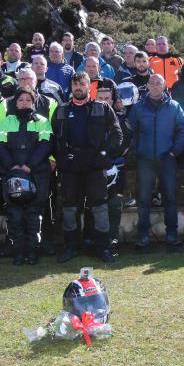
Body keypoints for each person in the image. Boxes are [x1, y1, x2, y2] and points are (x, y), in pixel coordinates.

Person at [51, 72, 122, 263]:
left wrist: (104, 154)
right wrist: (62, 158)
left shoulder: (103, 108)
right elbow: (53, 139)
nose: (78, 88)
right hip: (70, 167)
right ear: (71, 87)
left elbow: (117, 134)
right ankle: (71, 246)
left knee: (99, 208)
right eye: (75, 85)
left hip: (95, 165)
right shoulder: (61, 110)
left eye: (82, 84)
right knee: (69, 208)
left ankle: (103, 247)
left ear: (89, 86)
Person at [128, 74, 184, 250]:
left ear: (164, 86)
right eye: (152, 83)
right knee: (144, 199)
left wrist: (174, 151)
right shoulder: (138, 108)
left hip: (167, 158)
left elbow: (183, 131)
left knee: (170, 197)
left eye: (159, 83)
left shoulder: (174, 106)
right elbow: (131, 132)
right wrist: (138, 150)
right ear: (147, 86)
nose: (155, 86)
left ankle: (172, 235)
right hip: (145, 159)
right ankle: (143, 236)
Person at [0, 87, 53, 265]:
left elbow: (46, 145)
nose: (24, 102)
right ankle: (18, 252)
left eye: (28, 99)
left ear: (33, 102)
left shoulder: (42, 121)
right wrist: (13, 166)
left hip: (37, 174)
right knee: (15, 216)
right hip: (12, 174)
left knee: (34, 216)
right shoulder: (6, 122)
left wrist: (29, 165)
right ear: (15, 102)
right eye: (21, 99)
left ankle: (32, 252)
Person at [95, 87, 131, 248]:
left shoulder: (121, 119)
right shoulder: (90, 117)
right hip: (95, 167)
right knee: (96, 203)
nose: (103, 101)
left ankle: (113, 237)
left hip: (116, 167)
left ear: (112, 100)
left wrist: (113, 158)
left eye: (107, 98)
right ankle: (97, 238)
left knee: (114, 203)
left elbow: (127, 141)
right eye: (100, 97)